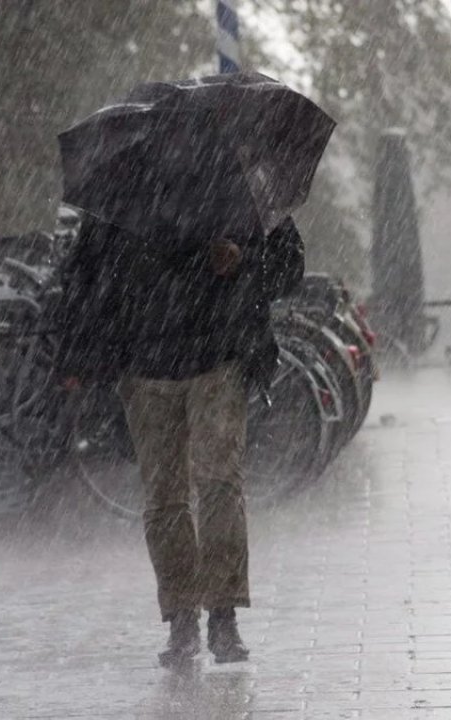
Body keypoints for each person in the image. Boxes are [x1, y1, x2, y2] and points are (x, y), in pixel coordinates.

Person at [57, 213, 304, 667]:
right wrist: (84, 351)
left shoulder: (237, 183)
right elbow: (87, 274)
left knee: (218, 484)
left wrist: (242, 261)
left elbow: (288, 267)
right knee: (165, 496)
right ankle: (182, 617)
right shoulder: (122, 191)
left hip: (218, 357)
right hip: (145, 366)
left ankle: (223, 615)